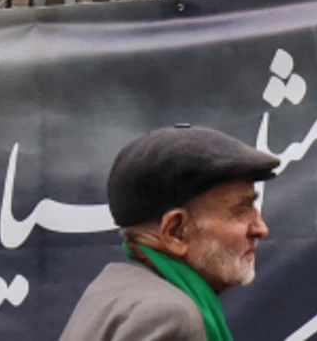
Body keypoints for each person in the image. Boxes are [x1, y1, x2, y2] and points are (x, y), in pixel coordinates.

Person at [57, 125, 279, 341]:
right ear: (176, 232)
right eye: (240, 211)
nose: (261, 229)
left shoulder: (110, 291)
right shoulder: (170, 317)